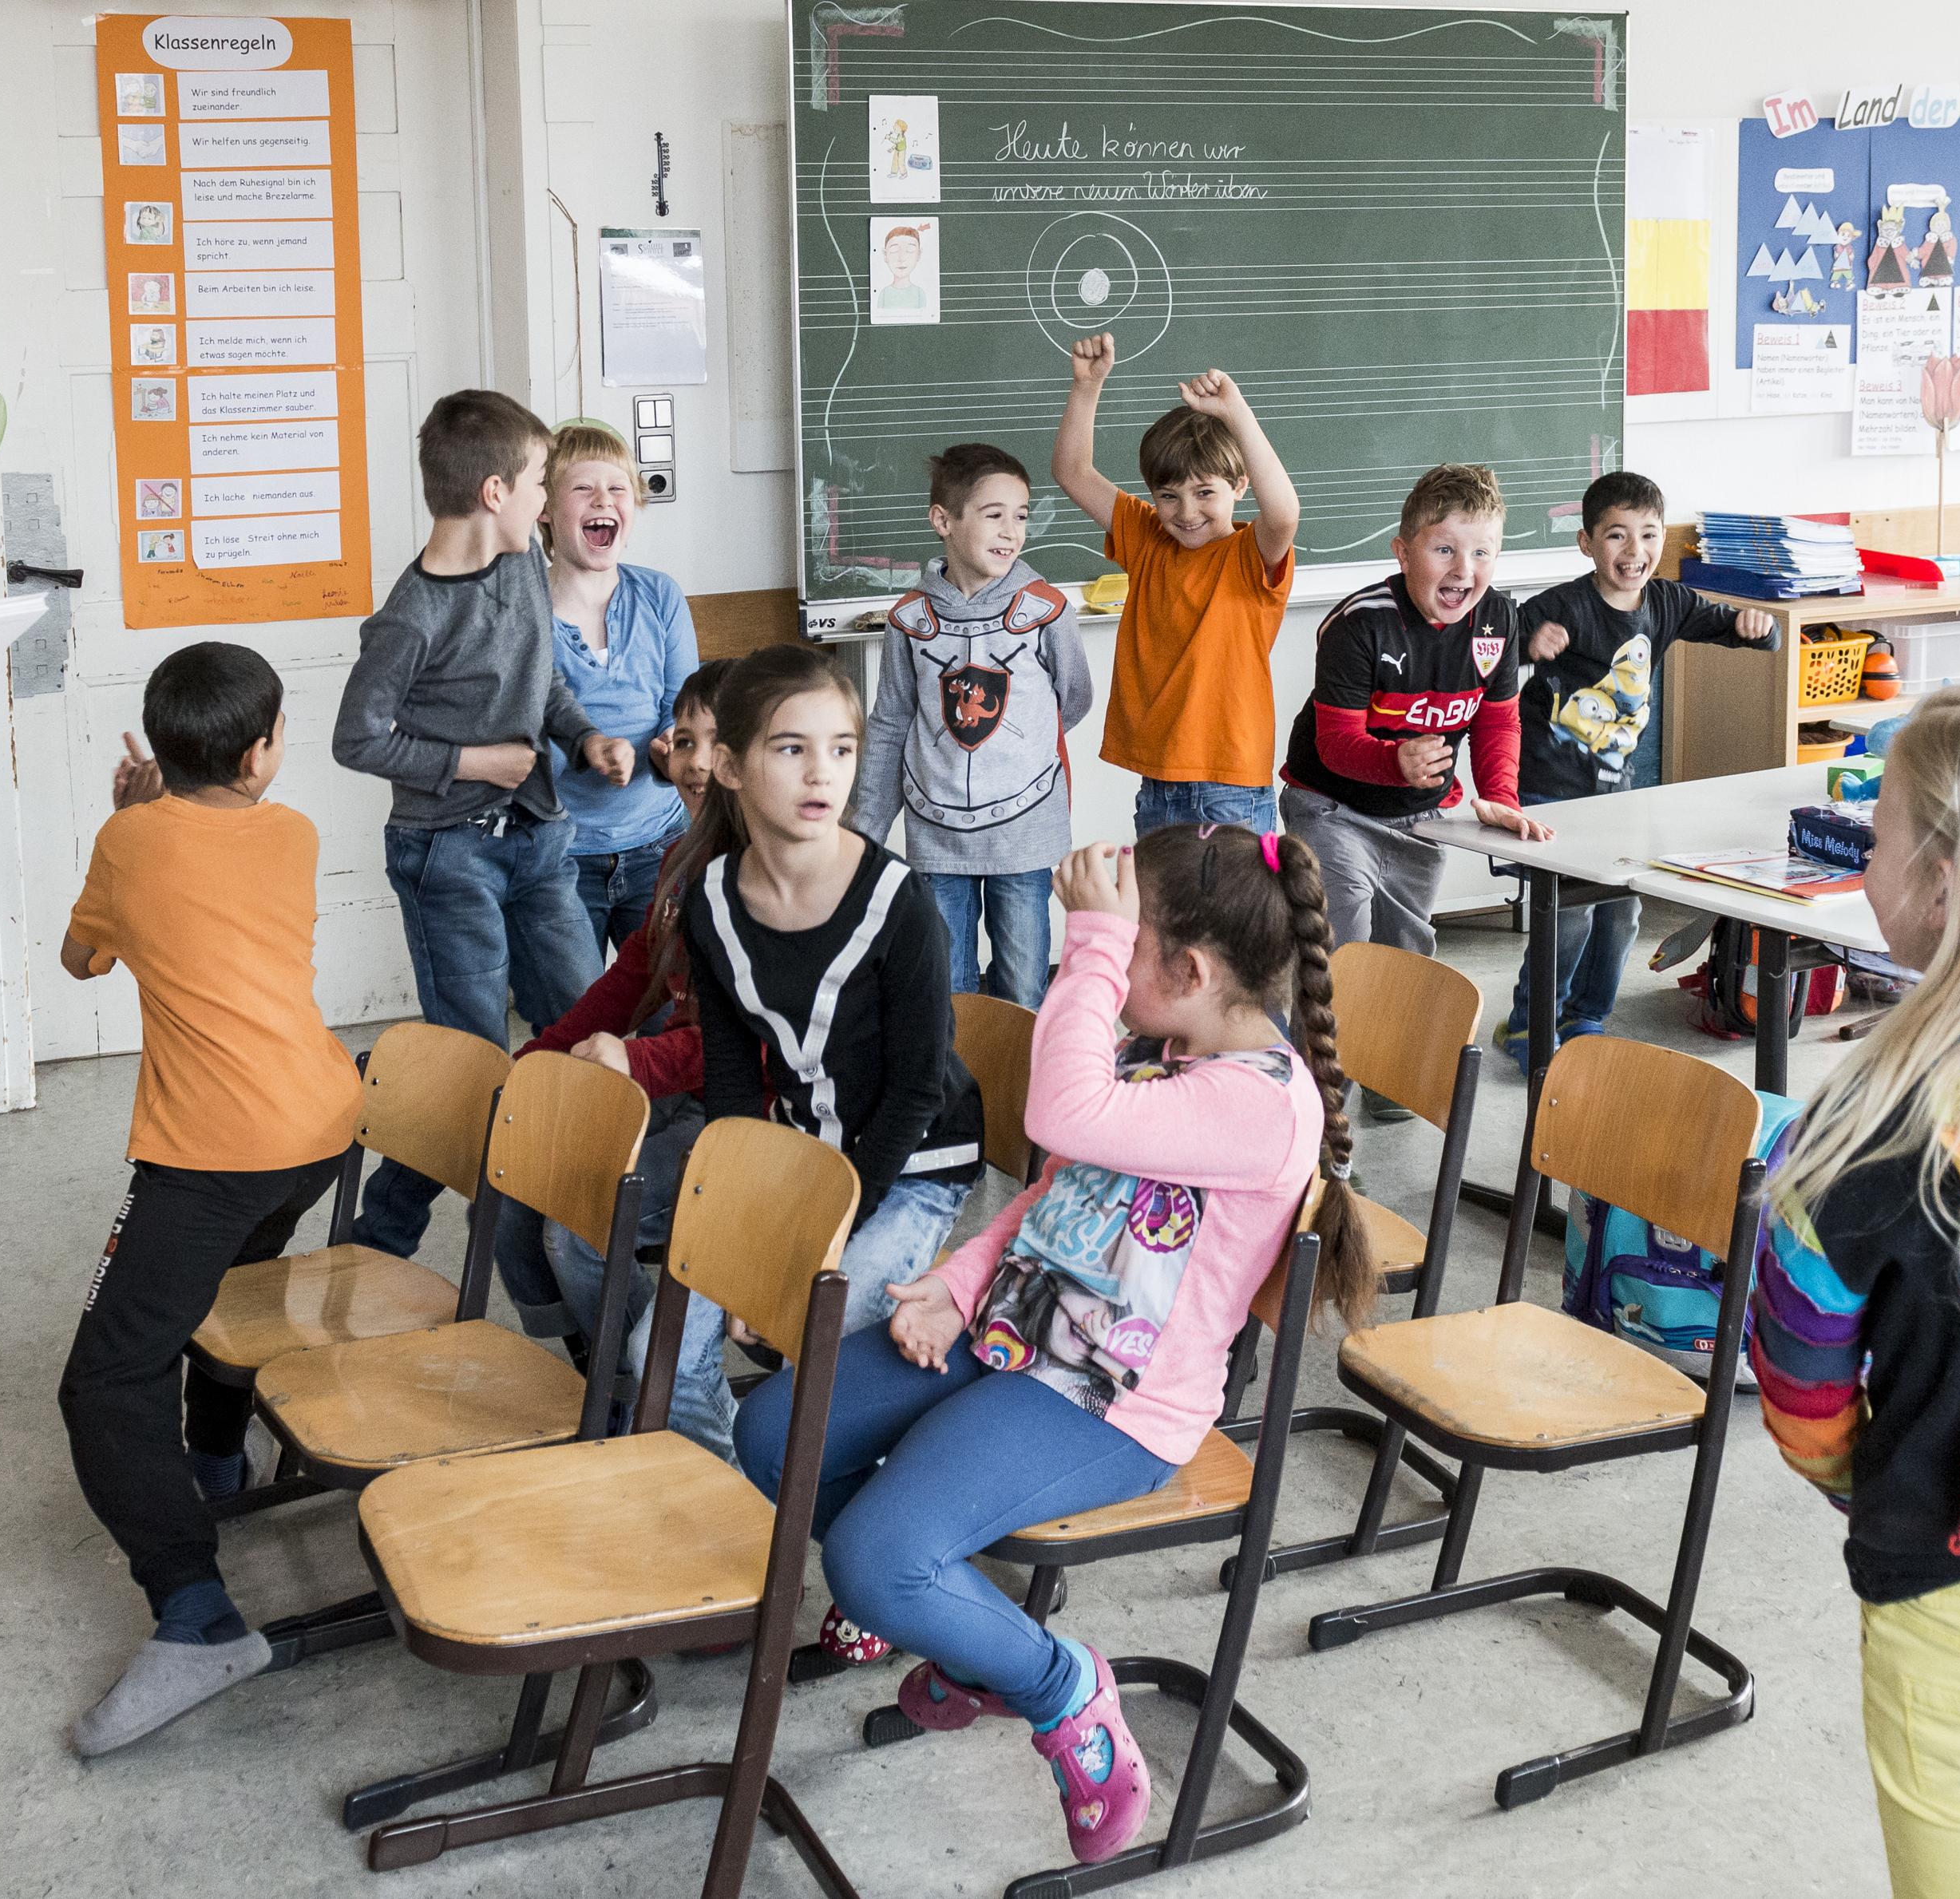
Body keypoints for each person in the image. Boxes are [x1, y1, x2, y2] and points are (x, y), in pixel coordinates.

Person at [732, 825, 1372, 1867]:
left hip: (1116, 1403)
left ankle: (1056, 1684)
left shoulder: (1258, 1104)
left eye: (1127, 944)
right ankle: (943, 1621)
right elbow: (1055, 1188)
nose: (1108, 962)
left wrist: (1085, 939)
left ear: (1190, 970)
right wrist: (956, 1279)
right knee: (774, 1432)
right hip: (1018, 1321)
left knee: (873, 1554)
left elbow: (1059, 1104)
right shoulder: (1169, 1040)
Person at [53, 642, 361, 1758]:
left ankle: (195, 1614)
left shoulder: (129, 840)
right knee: (228, 1289)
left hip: (211, 1150)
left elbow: (82, 959)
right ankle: (217, 1469)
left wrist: (131, 816)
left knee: (101, 1378)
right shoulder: (294, 832)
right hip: (322, 1123)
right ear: (260, 748)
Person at [1751, 689, 1960, 1899]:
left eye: (1874, 836)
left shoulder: (1863, 1118)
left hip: (1958, 1605)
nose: (1862, 859)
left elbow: (1802, 1380)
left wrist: (1879, 1474)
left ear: (1944, 879)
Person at [688, 643, 984, 1658]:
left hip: (913, 1167)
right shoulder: (712, 901)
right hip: (805, 1163)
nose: (824, 774)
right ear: (727, 765)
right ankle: (734, 1551)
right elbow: (731, 1088)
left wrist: (817, 1230)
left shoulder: (900, 900)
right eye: (790, 749)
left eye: (843, 749)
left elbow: (914, 1091)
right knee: (665, 1346)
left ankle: (889, 1561)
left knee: (816, 1347)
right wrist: (746, 1226)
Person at [330, 390, 631, 1256]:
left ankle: (561, 1232)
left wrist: (587, 736)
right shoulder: (411, 615)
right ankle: (375, 1243)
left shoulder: (522, 570)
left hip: (539, 844)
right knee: (469, 1067)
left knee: (583, 1035)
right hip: (447, 857)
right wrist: (472, 763)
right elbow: (358, 738)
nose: (549, 500)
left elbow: (544, 687)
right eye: (542, 481)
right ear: (496, 492)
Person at [509, 659, 736, 1453]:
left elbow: (747, 1053)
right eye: (686, 740)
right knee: (522, 1176)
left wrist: (635, 1066)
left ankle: (667, 1397)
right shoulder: (682, 857)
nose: (699, 762)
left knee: (578, 1224)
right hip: (688, 1086)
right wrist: (540, 1059)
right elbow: (632, 979)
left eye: (720, 741)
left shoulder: (760, 876)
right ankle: (606, 1377)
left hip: (749, 1109)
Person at [1279, 463, 1552, 1114]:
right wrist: (1394, 764)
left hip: (1417, 819)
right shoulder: (1359, 625)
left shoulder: (1498, 619)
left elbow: (1498, 719)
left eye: (1482, 551)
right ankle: (1312, 1100)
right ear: (1403, 552)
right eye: (1445, 549)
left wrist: (1501, 797)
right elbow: (1334, 744)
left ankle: (1384, 1074)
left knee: (1407, 951)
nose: (1464, 568)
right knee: (1339, 946)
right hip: (1332, 808)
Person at [1497, 471, 1779, 1057]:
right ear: (1586, 543)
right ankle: (1530, 1023)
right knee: (1569, 915)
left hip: (1617, 792)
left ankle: (1586, 1018)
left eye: (1648, 536)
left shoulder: (1669, 602)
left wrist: (1761, 626)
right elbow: (1493, 656)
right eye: (1617, 536)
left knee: (1622, 910)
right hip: (1550, 788)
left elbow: (1737, 629)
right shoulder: (1562, 605)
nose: (1635, 552)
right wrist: (1527, 646)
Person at [849, 443, 1095, 1007]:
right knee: (946, 993)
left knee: (1022, 990)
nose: (1011, 530)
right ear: (944, 520)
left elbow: (1071, 699)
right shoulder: (909, 619)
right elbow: (889, 724)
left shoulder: (1047, 609)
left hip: (1024, 837)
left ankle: (1019, 1096)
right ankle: (957, 1098)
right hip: (937, 839)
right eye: (993, 514)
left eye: (1021, 515)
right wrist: (865, 829)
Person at [1050, 335, 1300, 837]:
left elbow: (1285, 511)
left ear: (1240, 486)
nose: (1186, 513)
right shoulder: (1146, 538)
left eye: (1205, 493)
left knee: (1236, 918)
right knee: (1163, 918)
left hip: (1230, 787)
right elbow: (1072, 472)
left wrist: (1236, 413)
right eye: (1168, 496)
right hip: (1159, 782)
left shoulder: (1251, 554)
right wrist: (1087, 386)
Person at [541, 421, 700, 951]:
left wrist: (666, 750)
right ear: (543, 508)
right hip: (559, 859)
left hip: (661, 848)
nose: (603, 498)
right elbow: (524, 730)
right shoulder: (524, 615)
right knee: (572, 1020)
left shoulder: (660, 596)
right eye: (583, 488)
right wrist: (590, 752)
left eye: (618, 487)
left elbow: (681, 710)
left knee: (661, 1018)